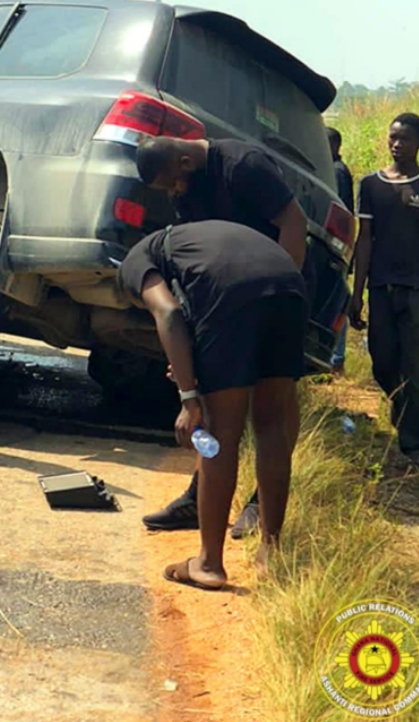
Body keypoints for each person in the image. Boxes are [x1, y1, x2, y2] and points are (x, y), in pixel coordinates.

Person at [118, 220, 306, 589]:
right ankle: (271, 553)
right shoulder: (191, 242)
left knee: (220, 432)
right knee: (271, 425)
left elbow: (168, 313)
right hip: (290, 286)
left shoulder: (133, 266)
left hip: (234, 291)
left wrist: (189, 399)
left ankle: (208, 564)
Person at [135, 136, 308, 538]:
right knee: (216, 403)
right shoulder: (188, 188)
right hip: (226, 299)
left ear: (185, 161)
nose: (174, 192)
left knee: (274, 406)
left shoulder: (243, 164)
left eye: (172, 183)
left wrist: (285, 292)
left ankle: (260, 506)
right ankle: (200, 497)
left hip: (278, 289)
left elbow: (293, 222)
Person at [350, 113, 419, 472]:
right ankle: (400, 402)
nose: (396, 144)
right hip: (381, 288)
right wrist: (357, 292)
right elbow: (364, 242)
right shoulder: (371, 185)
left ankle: (413, 445)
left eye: (405, 139)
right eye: (392, 137)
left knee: (417, 367)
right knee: (383, 359)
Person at [326, 127, 354, 372]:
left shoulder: (336, 172)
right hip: (339, 243)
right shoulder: (339, 170)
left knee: (337, 298)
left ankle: (337, 358)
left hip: (335, 243)